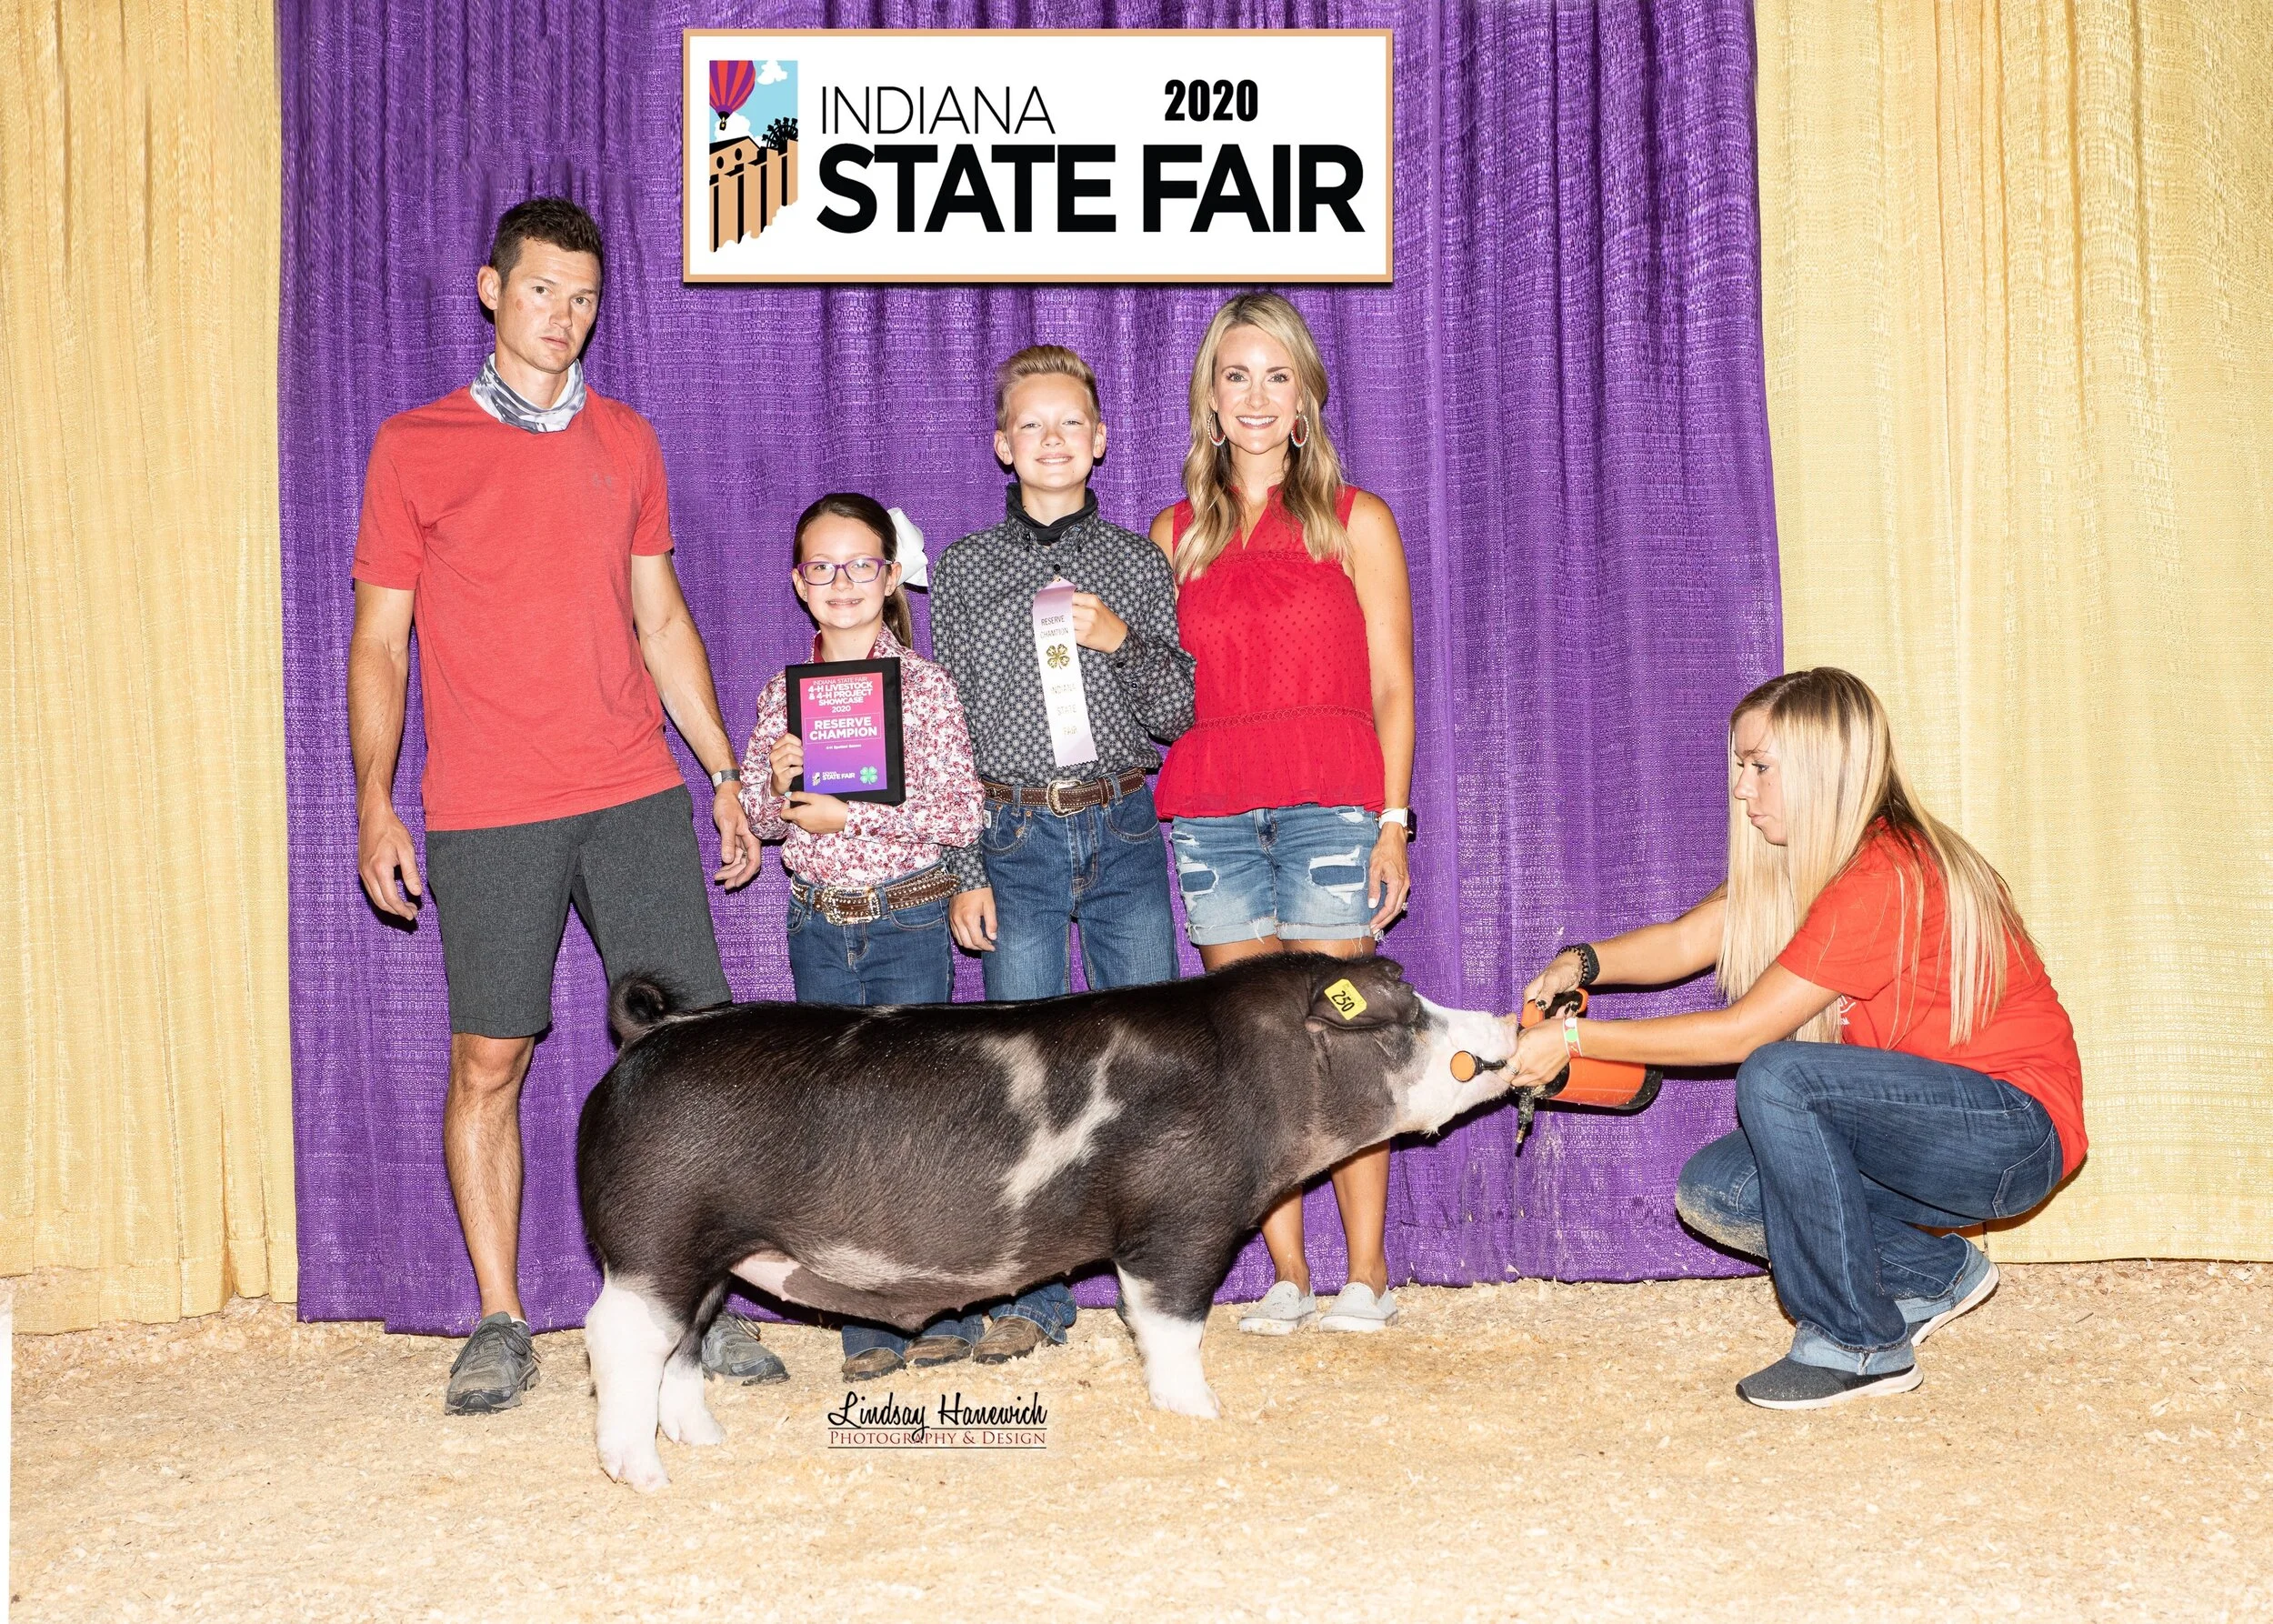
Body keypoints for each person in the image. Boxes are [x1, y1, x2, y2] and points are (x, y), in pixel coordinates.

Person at [349, 196, 783, 1415]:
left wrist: (723, 774)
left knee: (693, 1053)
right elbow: (380, 645)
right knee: (493, 1054)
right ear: (492, 289)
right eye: (542, 290)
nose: (564, 315)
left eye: (585, 295)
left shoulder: (627, 442)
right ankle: (499, 1315)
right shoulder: (413, 446)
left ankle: (697, 1311)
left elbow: (660, 618)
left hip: (631, 786)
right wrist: (375, 801)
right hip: (488, 804)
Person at [1510, 667, 2086, 1409]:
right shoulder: (1815, 869)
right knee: (1721, 1189)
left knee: (1780, 1074)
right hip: (1928, 1141)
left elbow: (1741, 1033)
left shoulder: (1888, 872)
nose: (1741, 789)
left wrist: (1581, 1041)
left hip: (2010, 1133)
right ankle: (1929, 1275)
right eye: (1739, 768)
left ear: (1821, 769)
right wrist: (1583, 962)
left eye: (1760, 767)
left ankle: (1859, 1345)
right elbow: (1689, 938)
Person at [1149, 292, 1416, 1338]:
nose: (1255, 397)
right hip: (1211, 813)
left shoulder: (1357, 518)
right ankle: (1287, 1276)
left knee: (1343, 1037)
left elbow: (1392, 683)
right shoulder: (1171, 533)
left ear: (1304, 396)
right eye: (1234, 376)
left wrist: (1393, 817)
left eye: (1275, 375)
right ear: (1208, 402)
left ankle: (1367, 1270)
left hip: (1331, 805)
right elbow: (1149, 685)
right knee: (1256, 1052)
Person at [933, 344, 1197, 1363]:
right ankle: (1034, 1296)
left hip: (1124, 823)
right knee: (1025, 1076)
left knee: (1152, 1066)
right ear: (1004, 446)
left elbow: (1175, 710)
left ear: (1099, 440)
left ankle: (1159, 1280)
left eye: (1069, 424)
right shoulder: (962, 571)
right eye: (1030, 426)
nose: (1051, 440)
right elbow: (945, 731)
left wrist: (1119, 638)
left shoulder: (1135, 562)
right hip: (1016, 833)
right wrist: (964, 867)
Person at [738, 494, 986, 1381]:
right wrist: (772, 782)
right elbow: (767, 827)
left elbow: (959, 810)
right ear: (799, 583)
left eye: (860, 565)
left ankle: (945, 1306)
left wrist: (856, 814)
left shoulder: (922, 686)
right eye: (823, 567)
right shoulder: (782, 693)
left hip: (908, 917)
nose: (842, 583)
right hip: (819, 925)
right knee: (839, 1129)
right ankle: (869, 1327)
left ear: (888, 578)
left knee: (922, 1121)